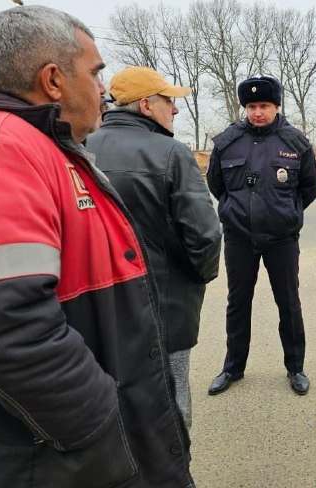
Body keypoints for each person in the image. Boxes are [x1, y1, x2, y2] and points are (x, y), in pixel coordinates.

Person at [0, 6, 194, 487]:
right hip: (44, 460)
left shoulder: (45, 148)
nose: (104, 88)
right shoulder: (0, 152)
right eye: (95, 72)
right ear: (54, 80)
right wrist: (100, 422)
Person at [86, 66, 222, 429]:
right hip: (165, 303)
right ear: (146, 105)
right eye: (169, 101)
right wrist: (198, 278)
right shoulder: (171, 153)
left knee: (114, 393)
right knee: (171, 395)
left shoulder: (82, 149)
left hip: (101, 305)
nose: (175, 109)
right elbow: (205, 235)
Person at [206, 75, 316, 396]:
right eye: (252, 106)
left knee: (288, 303)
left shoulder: (295, 142)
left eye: (265, 106)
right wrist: (235, 209)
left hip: (281, 239)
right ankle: (233, 368)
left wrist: (289, 211)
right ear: (245, 108)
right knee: (238, 303)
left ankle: (295, 367)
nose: (258, 112)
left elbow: (311, 186)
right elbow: (216, 184)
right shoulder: (227, 142)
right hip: (239, 238)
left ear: (276, 106)